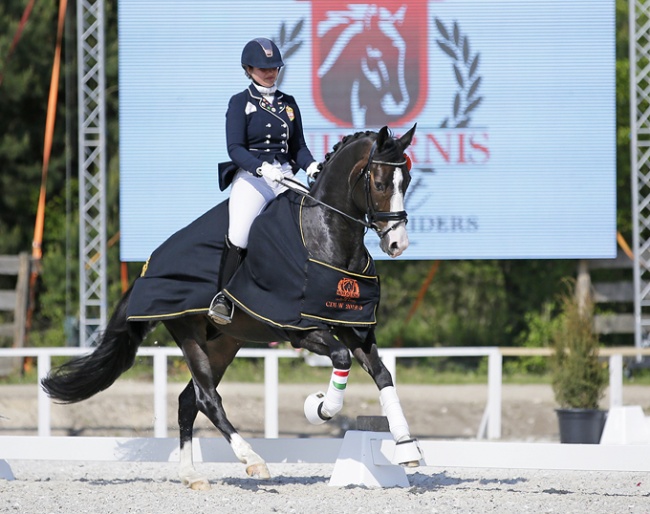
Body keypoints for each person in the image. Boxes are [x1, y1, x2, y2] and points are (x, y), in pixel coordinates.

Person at [208, 37, 320, 325]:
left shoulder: (289, 104)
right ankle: (224, 298)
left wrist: (311, 166)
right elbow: (234, 149)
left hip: (285, 174)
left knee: (314, 224)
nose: (270, 73)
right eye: (263, 68)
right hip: (253, 178)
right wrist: (260, 169)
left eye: (274, 68)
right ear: (248, 68)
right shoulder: (239, 102)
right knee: (240, 233)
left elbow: (299, 147)